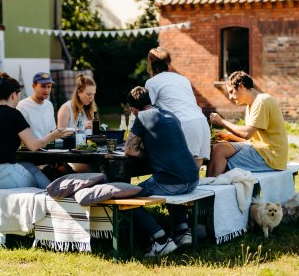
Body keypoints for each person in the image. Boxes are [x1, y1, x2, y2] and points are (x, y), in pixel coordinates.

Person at [124, 86, 200, 257]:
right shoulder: (170, 114)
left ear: (133, 110)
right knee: (168, 176)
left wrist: (148, 153)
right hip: (193, 178)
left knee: (127, 198)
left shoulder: (142, 117)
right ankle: (182, 231)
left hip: (173, 182)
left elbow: (129, 149)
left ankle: (161, 240)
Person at [0, 75, 73, 190]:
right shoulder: (14, 114)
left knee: (28, 165)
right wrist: (54, 135)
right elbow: (33, 146)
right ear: (13, 94)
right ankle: (51, 193)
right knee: (36, 177)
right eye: (18, 95)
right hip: (3, 174)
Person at [206, 71, 289, 177]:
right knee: (218, 148)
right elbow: (250, 140)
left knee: (219, 159)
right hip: (259, 150)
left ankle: (212, 188)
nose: (230, 97)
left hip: (272, 157)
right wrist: (227, 136)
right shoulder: (251, 105)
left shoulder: (262, 101)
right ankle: (213, 185)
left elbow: (247, 134)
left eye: (231, 92)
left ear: (240, 86)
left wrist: (221, 121)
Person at [145, 47, 210, 168]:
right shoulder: (183, 79)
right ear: (168, 63)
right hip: (201, 122)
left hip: (183, 125)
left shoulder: (152, 82)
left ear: (150, 64)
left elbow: (147, 110)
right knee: (194, 176)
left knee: (180, 175)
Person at [17, 72, 56, 139]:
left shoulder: (49, 105)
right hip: (31, 149)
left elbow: (52, 130)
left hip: (49, 148)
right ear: (34, 86)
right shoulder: (22, 106)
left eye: (49, 86)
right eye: (43, 86)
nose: (46, 90)